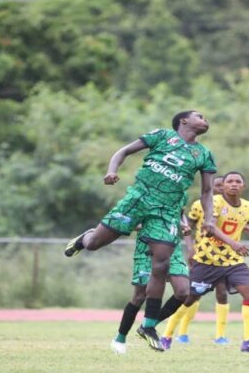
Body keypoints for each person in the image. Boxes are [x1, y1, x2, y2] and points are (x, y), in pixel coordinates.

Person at [64, 111, 217, 352]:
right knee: (95, 244)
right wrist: (111, 171)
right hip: (137, 199)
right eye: (200, 116)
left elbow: (207, 192)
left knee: (161, 265)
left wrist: (210, 219)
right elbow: (123, 151)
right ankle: (85, 238)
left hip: (166, 212)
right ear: (183, 121)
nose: (205, 120)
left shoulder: (204, 154)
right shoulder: (162, 135)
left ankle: (148, 325)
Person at [161, 171, 249, 352]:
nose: (234, 184)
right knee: (189, 298)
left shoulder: (248, 206)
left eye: (238, 181)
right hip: (207, 260)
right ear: (223, 186)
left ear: (243, 186)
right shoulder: (213, 202)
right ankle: (167, 335)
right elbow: (209, 227)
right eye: (229, 181)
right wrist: (192, 246)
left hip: (233, 261)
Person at [110, 219, 190, 354]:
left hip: (172, 248)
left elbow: (181, 215)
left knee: (183, 291)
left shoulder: (178, 197)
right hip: (147, 248)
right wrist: (154, 226)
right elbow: (130, 222)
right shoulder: (145, 199)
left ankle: (148, 327)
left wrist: (183, 224)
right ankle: (120, 339)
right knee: (139, 296)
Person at [174, 175, 233, 345]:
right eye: (217, 186)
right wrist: (190, 247)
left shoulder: (230, 206)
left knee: (222, 293)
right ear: (211, 188)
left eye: (223, 186)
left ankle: (220, 336)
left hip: (223, 257)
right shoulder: (199, 205)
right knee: (195, 294)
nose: (221, 188)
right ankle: (182, 333)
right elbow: (188, 228)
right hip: (202, 256)